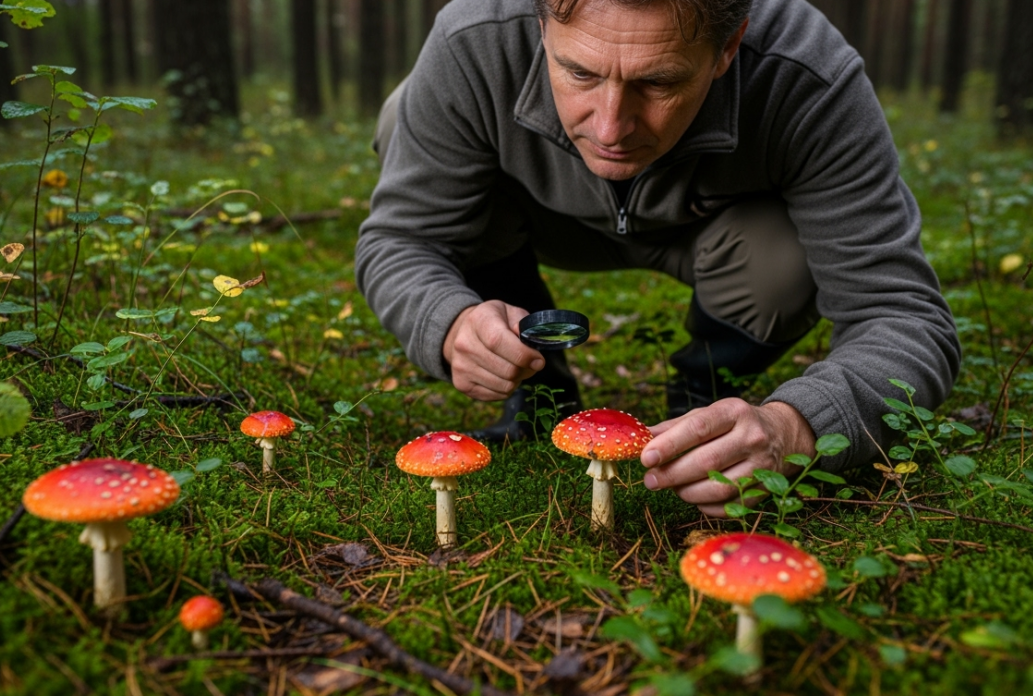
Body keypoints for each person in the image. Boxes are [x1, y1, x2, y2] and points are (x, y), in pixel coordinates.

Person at [355, 0, 961, 516]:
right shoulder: (475, 39)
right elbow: (402, 240)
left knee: (784, 255)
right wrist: (448, 320)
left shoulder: (805, 75)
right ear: (541, 26)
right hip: (526, 216)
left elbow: (903, 316)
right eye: (579, 73)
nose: (612, 127)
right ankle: (541, 398)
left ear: (729, 48)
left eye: (659, 82)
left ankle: (708, 409)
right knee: (402, 111)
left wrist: (798, 426)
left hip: (719, 236)